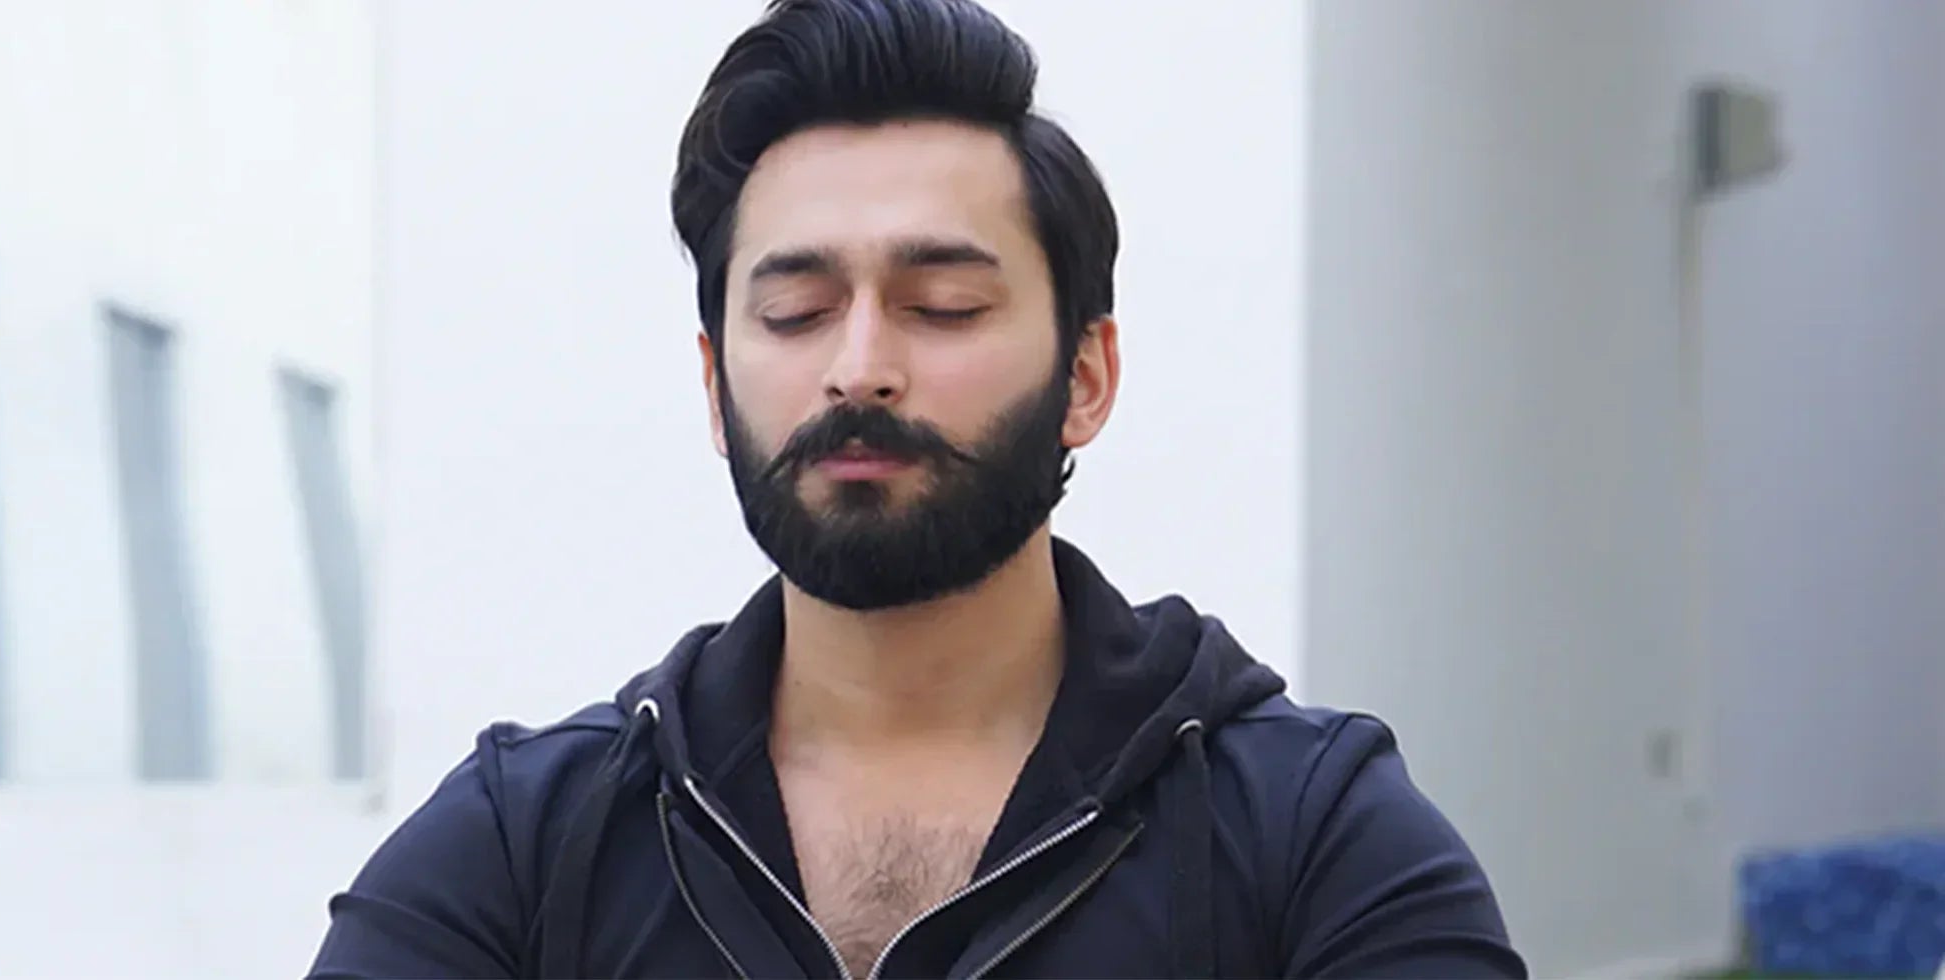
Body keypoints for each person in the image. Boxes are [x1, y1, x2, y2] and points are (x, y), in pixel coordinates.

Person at [309, 0, 1525, 976]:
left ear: (1085, 375)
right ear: (714, 385)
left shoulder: (1312, 837)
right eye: (796, 310)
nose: (859, 367)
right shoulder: (526, 844)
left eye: (942, 305)